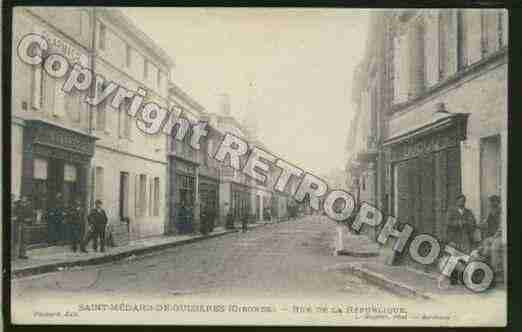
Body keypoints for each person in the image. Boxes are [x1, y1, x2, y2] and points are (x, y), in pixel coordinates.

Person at [13, 195, 33, 259]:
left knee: (24, 239)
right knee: (17, 239)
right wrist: (20, 218)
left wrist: (30, 219)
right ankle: (15, 254)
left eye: (25, 198)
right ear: (20, 199)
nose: (24, 199)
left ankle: (23, 254)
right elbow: (15, 215)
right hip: (18, 224)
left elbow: (31, 215)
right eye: (23, 198)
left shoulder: (28, 206)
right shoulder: (16, 206)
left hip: (25, 224)